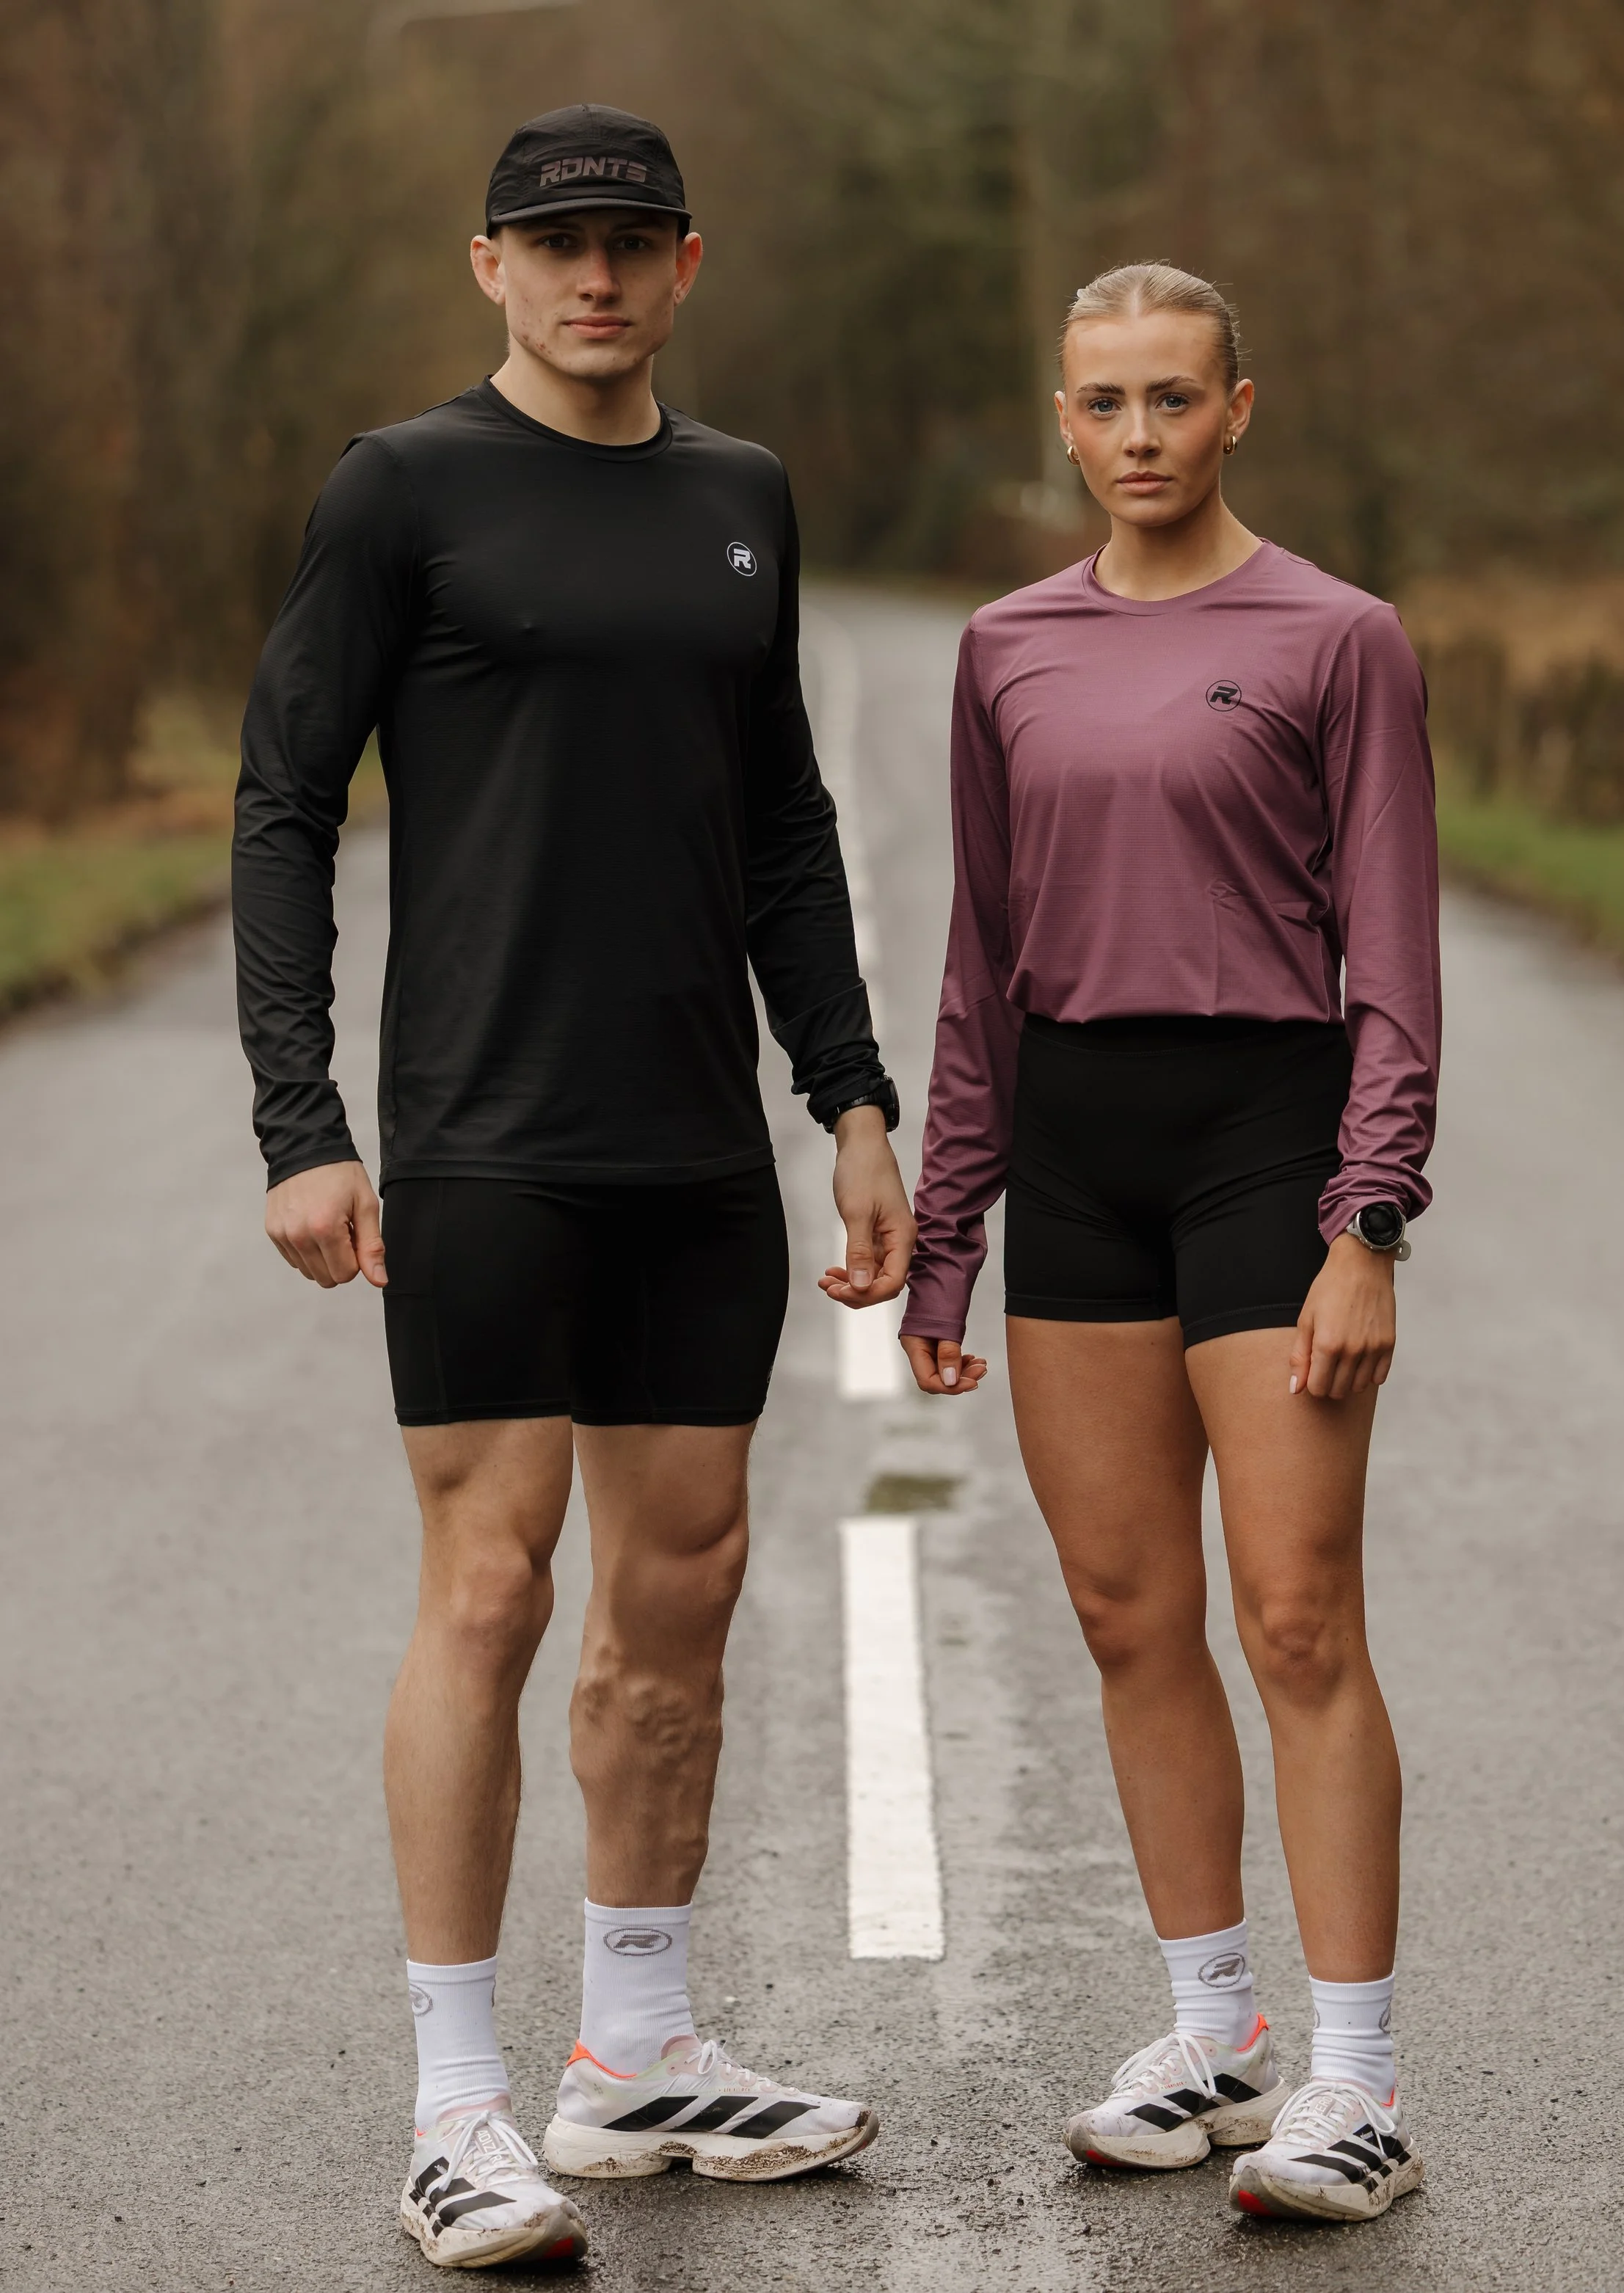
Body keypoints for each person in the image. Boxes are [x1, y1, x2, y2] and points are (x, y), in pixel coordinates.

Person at [233, 104, 909, 2271]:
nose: (593, 276)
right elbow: (277, 802)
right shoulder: (402, 489)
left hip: (693, 1143)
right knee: (493, 1586)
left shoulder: (739, 499)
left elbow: (782, 819)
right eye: (557, 244)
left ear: (685, 264)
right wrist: (299, 1121)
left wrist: (852, 1093)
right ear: (491, 266)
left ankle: (632, 2054)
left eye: (629, 242)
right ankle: (455, 2101)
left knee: (680, 1592)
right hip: (479, 1136)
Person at [899, 263, 1439, 2224]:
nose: (1136, 434)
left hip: (1264, 1146)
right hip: (1076, 1154)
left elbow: (1392, 954)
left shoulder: (1337, 638)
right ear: (1063, 420)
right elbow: (980, 956)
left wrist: (1365, 1215)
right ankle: (1211, 2034)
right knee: (1130, 1616)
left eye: (1170, 399)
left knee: (1296, 1614)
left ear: (1236, 408)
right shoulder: (1003, 647)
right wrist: (948, 1223)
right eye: (1102, 402)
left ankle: (1355, 2077)